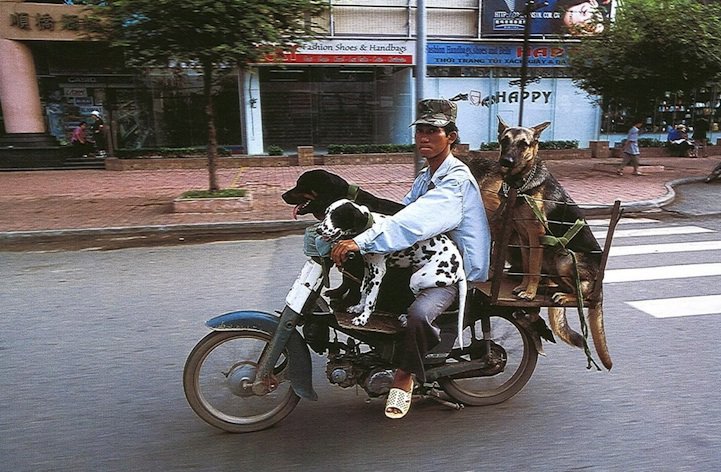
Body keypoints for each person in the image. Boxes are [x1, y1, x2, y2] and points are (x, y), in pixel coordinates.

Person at [330, 98, 491, 419]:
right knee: (363, 277)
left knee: (418, 314)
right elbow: (398, 213)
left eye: (434, 130)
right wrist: (354, 226)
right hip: (425, 258)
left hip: (453, 268)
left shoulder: (455, 181)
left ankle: (406, 375)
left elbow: (414, 222)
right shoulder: (426, 174)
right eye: (420, 130)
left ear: (452, 137)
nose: (424, 137)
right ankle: (383, 351)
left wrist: (361, 242)